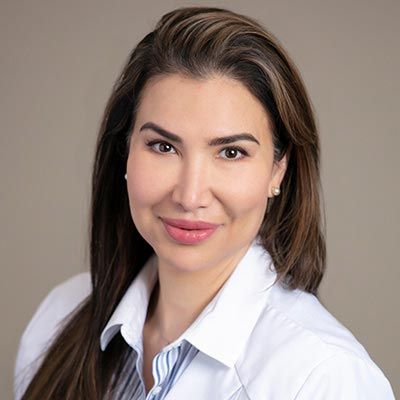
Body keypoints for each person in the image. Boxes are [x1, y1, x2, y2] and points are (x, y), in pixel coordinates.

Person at [14, 6, 395, 400]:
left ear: (278, 170)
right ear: (124, 152)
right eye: (163, 146)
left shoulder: (325, 380)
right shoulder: (58, 318)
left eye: (231, 153)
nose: (190, 195)